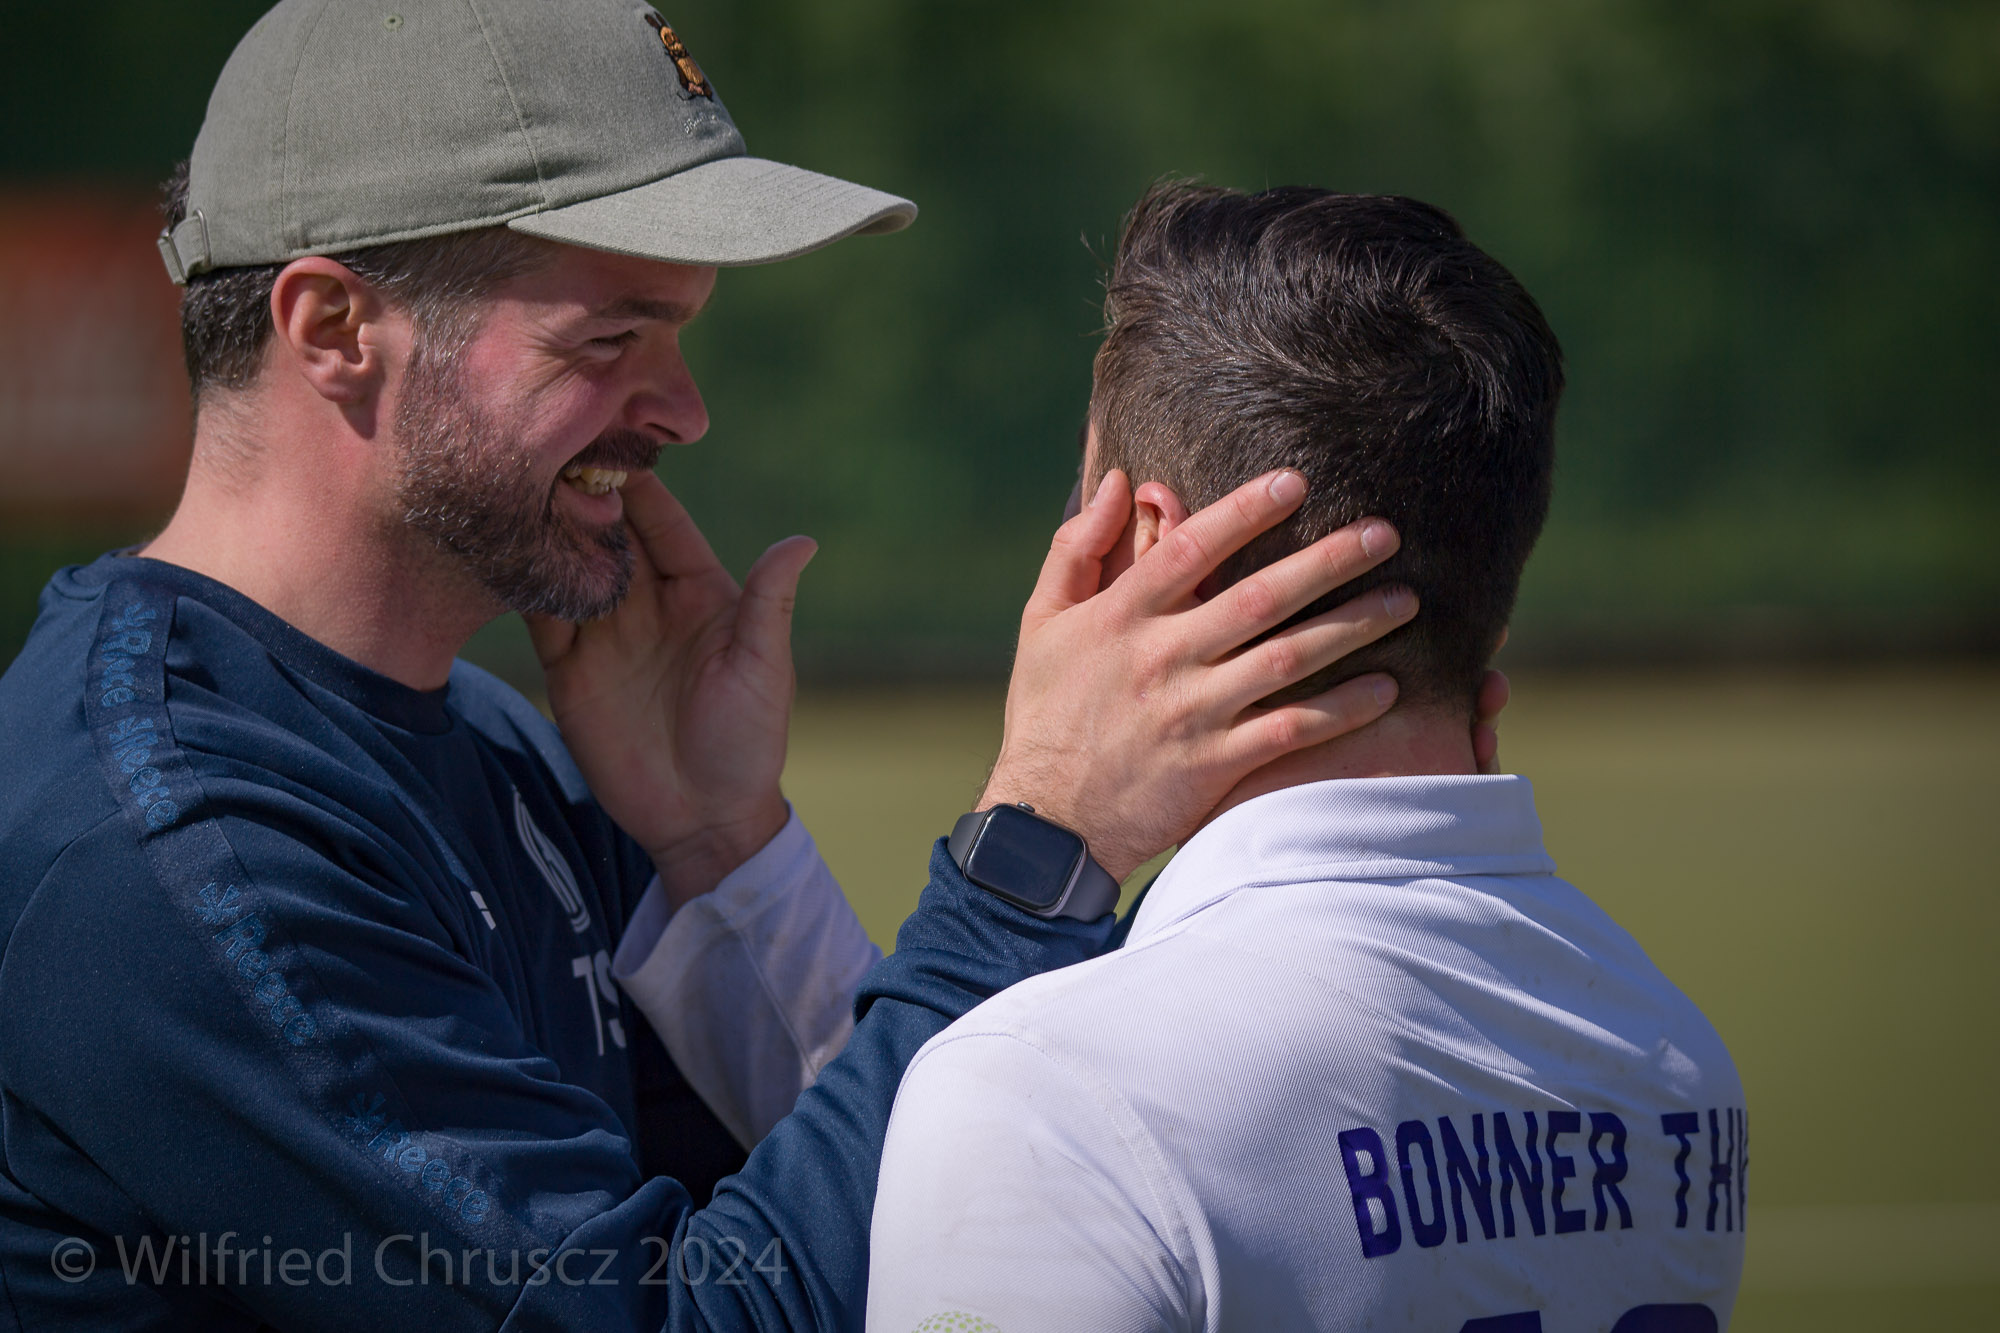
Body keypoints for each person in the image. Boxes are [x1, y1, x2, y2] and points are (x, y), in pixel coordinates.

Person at [0, 6, 1439, 1330]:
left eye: (679, 335)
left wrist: (717, 850)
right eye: (609, 338)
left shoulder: (493, 748)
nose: (683, 411)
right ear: (334, 330)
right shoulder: (176, 843)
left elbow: (847, 1220)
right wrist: (1039, 843)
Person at [867, 183, 1746, 1332]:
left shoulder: (1038, 1094)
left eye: (1081, 498)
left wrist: (1031, 820)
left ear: (1152, 545)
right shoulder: (1673, 1057)